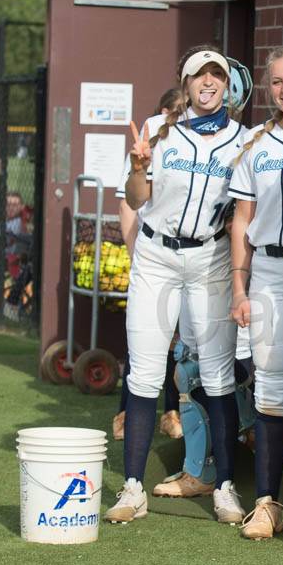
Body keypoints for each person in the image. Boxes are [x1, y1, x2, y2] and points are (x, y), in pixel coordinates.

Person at [104, 46, 247, 526]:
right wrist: (139, 165)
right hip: (157, 257)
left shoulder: (244, 140)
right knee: (145, 374)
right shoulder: (155, 131)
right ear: (184, 85)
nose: (208, 82)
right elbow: (135, 197)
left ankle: (224, 486)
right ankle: (132, 489)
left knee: (218, 376)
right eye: (198, 76)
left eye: (216, 75)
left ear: (227, 85)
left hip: (210, 258)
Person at [226, 46, 283, 540]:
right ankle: (267, 502)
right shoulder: (255, 144)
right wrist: (239, 286)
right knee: (273, 387)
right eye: (277, 82)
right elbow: (241, 220)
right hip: (268, 270)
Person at [113, 88, 184, 443]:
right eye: (169, 111)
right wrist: (133, 252)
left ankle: (173, 411)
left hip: (183, 261)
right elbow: (128, 207)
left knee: (178, 344)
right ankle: (125, 413)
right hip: (150, 257)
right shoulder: (145, 145)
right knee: (141, 341)